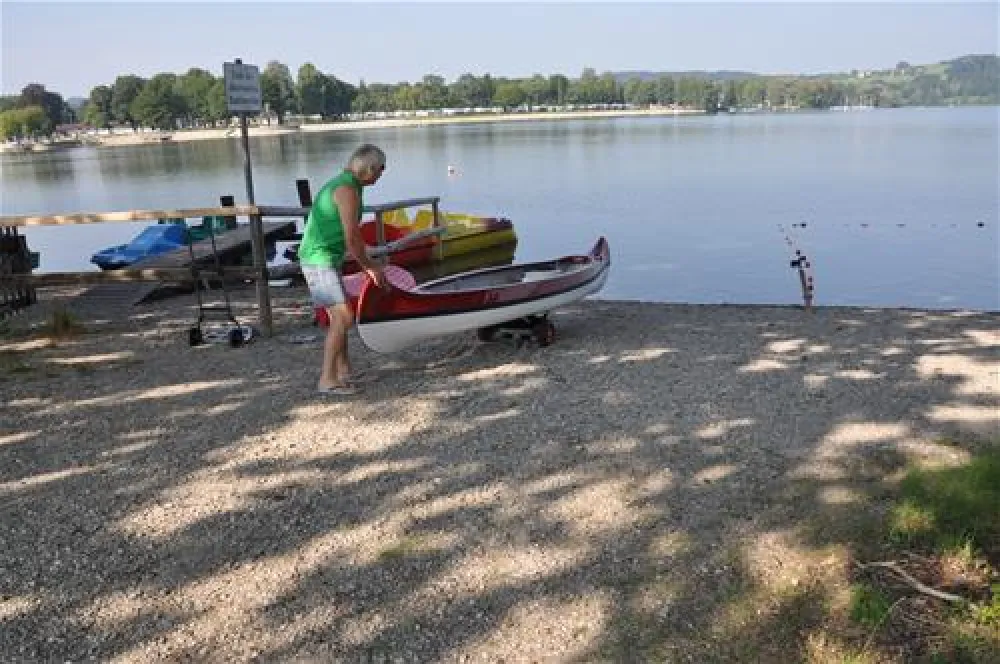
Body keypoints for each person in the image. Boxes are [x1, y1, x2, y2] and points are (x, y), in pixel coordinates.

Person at [298, 144, 387, 395]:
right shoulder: (347, 189)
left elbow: (350, 236)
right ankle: (327, 379)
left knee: (341, 313)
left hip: (325, 256)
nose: (382, 174)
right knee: (344, 316)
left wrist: (369, 256)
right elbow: (351, 238)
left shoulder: (348, 184)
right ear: (369, 168)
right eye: (381, 169)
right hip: (319, 259)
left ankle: (344, 370)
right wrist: (370, 268)